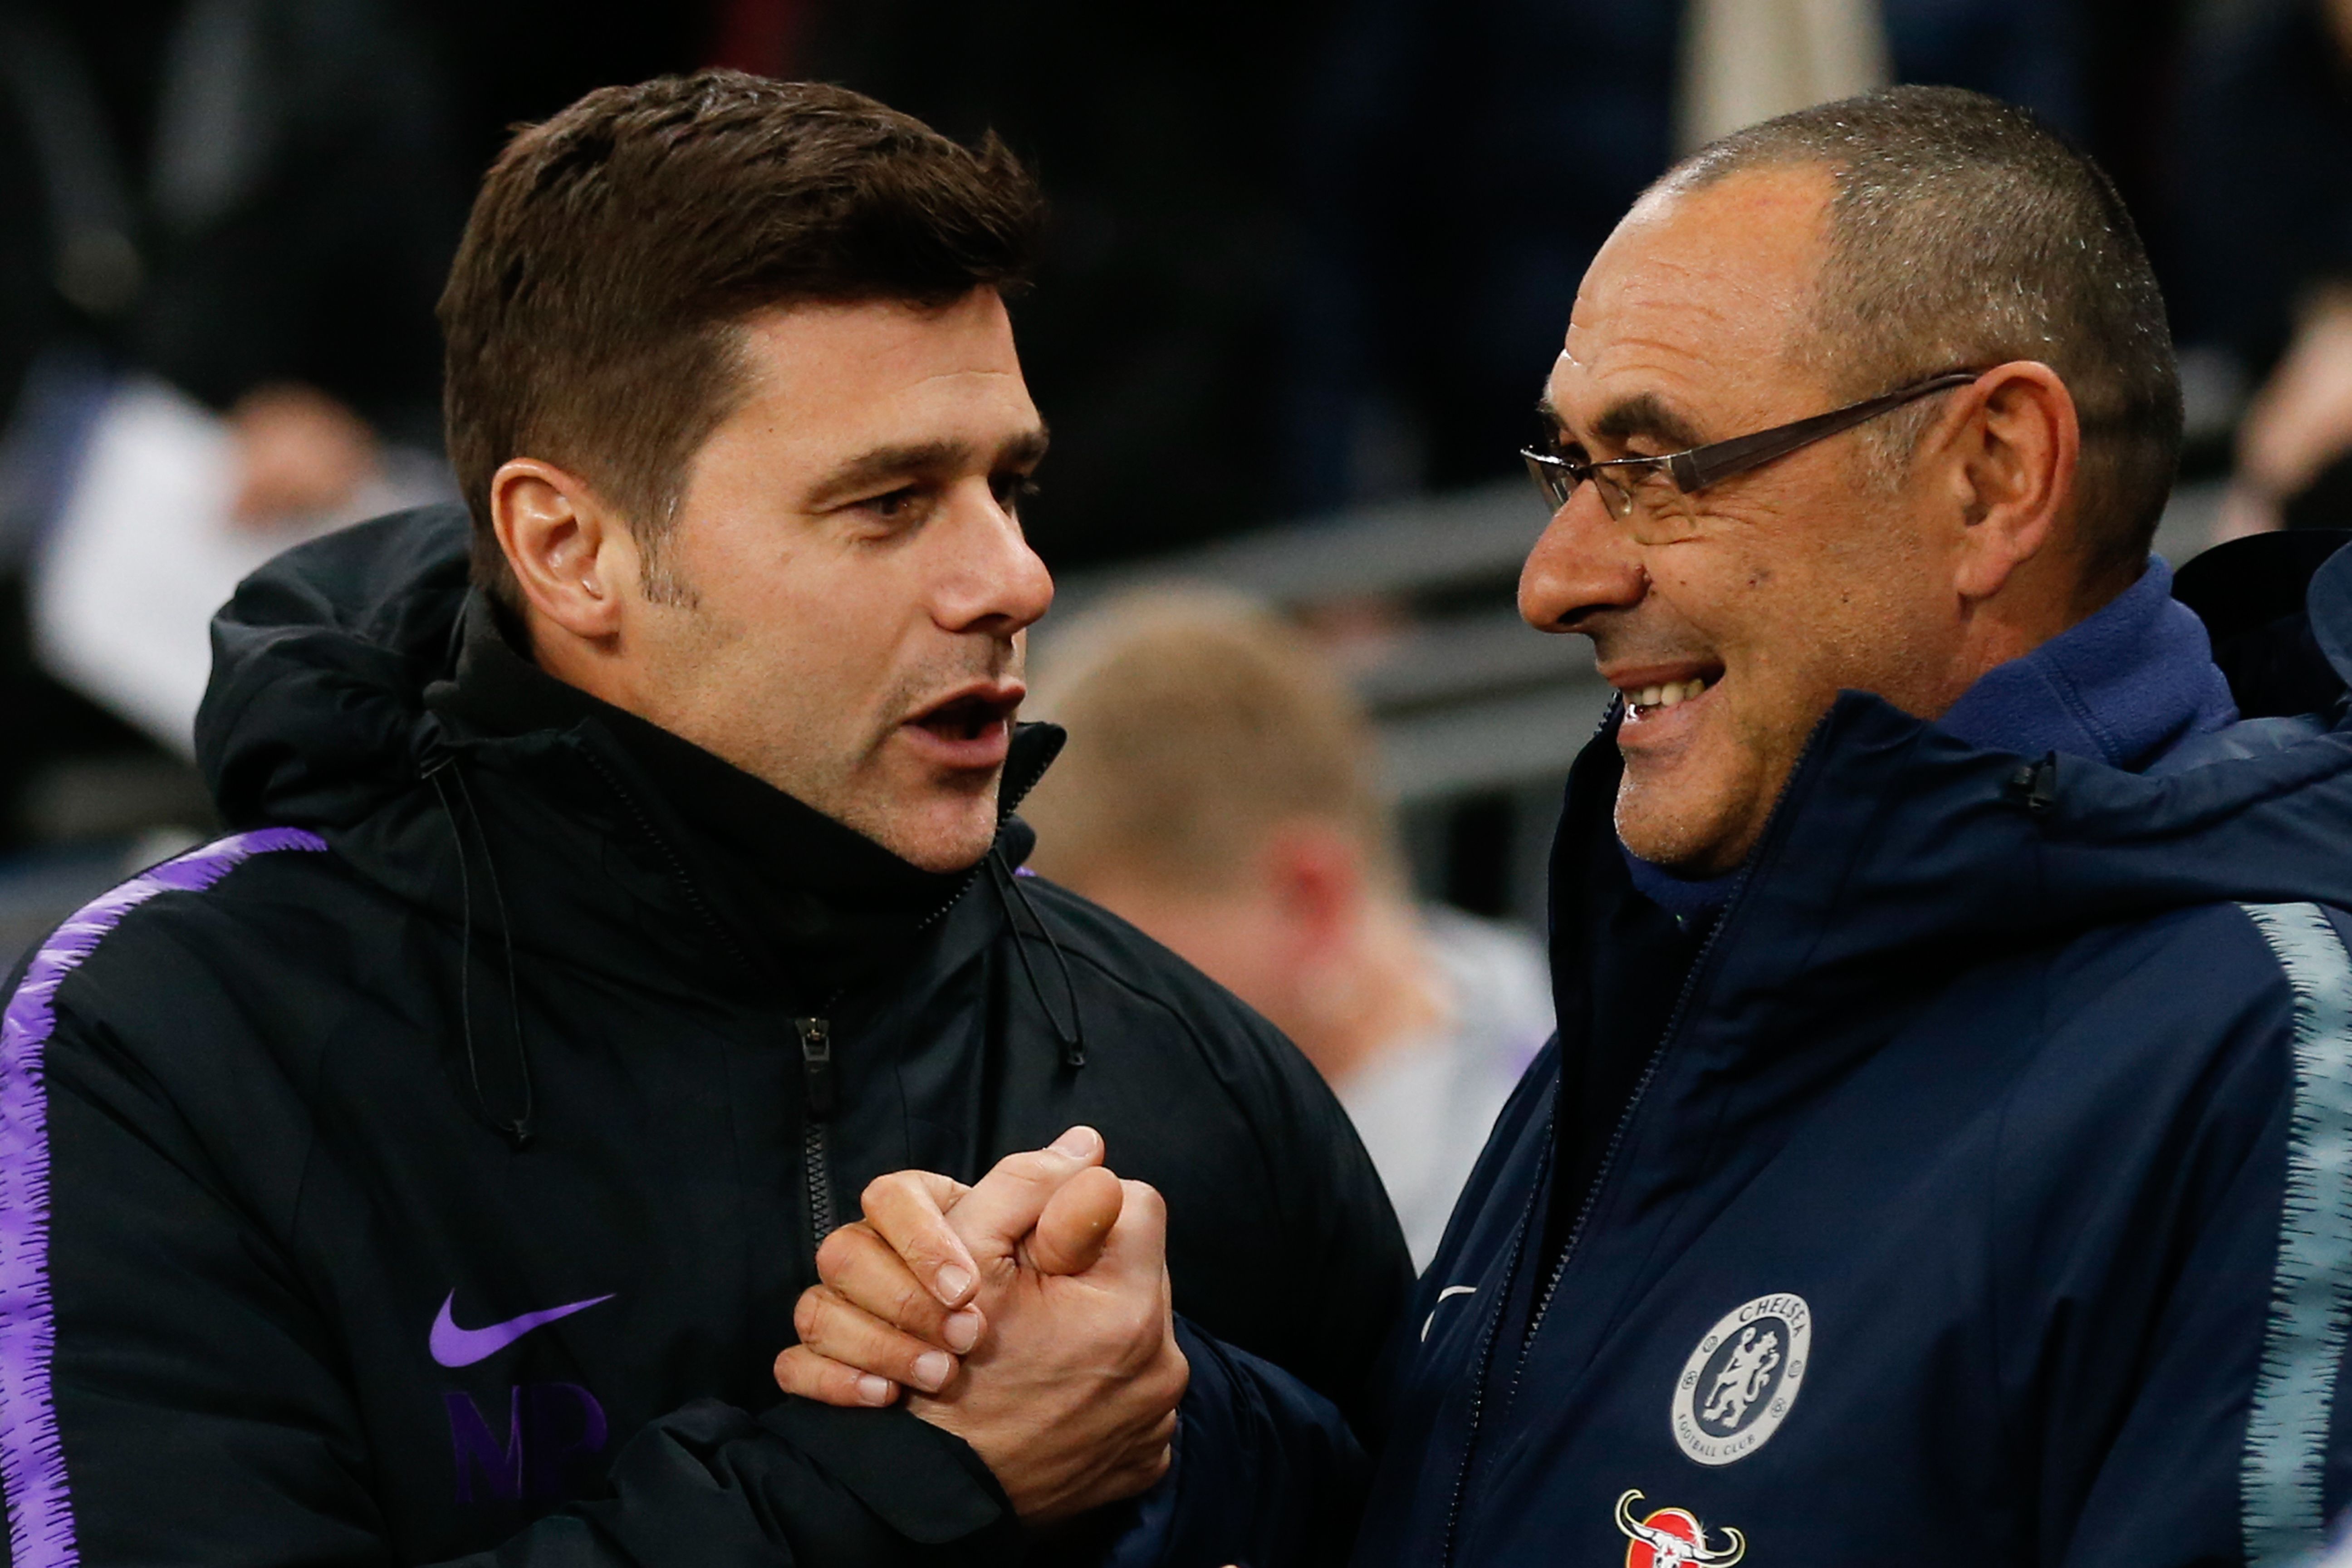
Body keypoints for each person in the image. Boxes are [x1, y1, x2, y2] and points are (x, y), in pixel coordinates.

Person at [784, 86, 2352, 1563]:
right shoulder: (1693, 939)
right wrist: (1143, 1423)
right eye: (1563, 467)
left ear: (1993, 474)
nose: (1557, 578)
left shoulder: (2268, 1052)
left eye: (1658, 467)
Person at [0, 71, 1411, 1561]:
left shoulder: (1187, 1062)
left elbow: (1441, 1518)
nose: (1011, 579)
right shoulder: (181, 1043)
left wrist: (1159, 1429)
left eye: (1011, 483)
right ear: (569, 547)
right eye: (887, 501)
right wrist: (888, 1481)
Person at [1019, 591, 1552, 1268]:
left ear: (1311, 902)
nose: (1078, 1030)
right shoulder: (1530, 1003)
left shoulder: (1534, 1237)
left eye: (1120, 973)